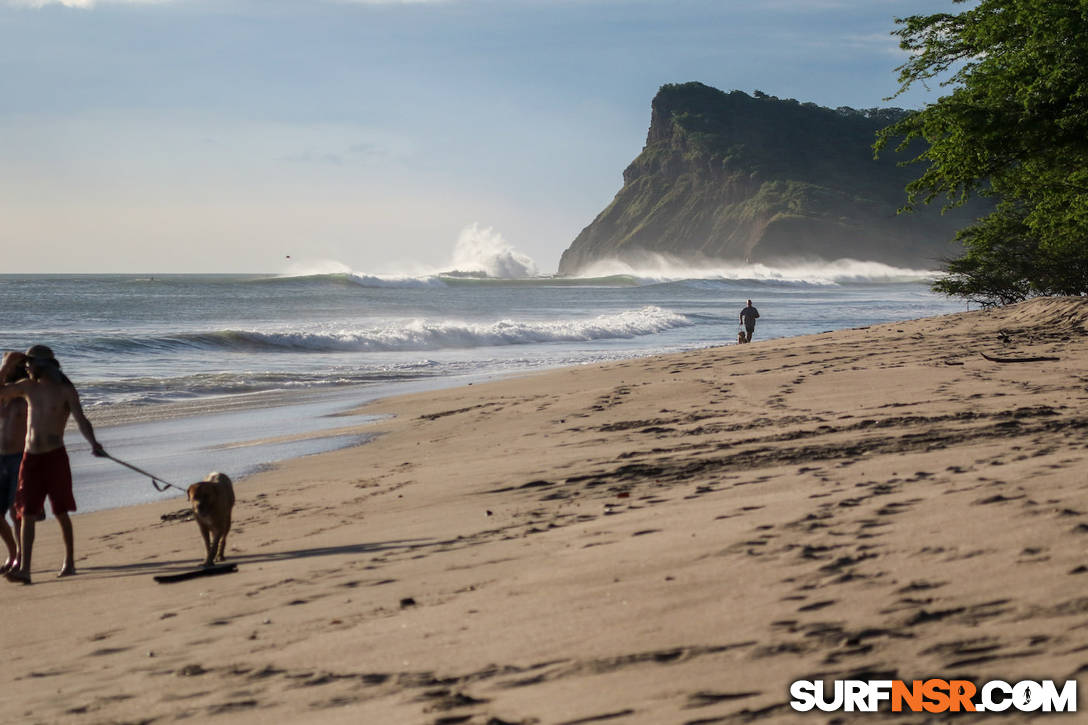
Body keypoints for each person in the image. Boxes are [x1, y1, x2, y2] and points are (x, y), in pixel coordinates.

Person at [0, 345, 106, 584]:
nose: (26, 367)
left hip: (55, 456)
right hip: (30, 458)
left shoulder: (65, 391)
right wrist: (5, 367)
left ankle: (69, 562)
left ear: (43, 364)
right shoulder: (28, 388)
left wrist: (94, 444)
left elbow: (81, 419)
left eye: (29, 363)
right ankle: (25, 568)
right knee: (25, 512)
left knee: (61, 510)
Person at [0, 351, 28, 575]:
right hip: (0, 457)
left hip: (19, 457)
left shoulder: (28, 394)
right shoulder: (4, 395)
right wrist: (5, 365)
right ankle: (12, 552)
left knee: (15, 511)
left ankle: (20, 555)